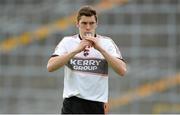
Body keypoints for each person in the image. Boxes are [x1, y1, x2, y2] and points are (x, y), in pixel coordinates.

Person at [47, 5, 127, 114]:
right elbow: (50, 67)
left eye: (91, 23)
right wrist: (75, 51)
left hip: (96, 104)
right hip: (72, 103)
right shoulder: (67, 42)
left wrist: (101, 50)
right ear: (77, 24)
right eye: (84, 23)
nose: (88, 27)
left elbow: (122, 70)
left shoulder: (106, 43)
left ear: (96, 24)